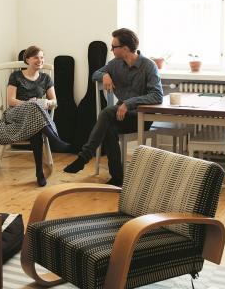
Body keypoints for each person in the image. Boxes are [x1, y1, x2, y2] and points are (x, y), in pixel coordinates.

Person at [63, 28, 163, 186]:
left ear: (125, 49)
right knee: (109, 128)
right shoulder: (115, 64)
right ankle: (117, 177)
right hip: (119, 115)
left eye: (114, 47)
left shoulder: (149, 66)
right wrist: (105, 75)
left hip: (140, 117)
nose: (111, 50)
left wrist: (128, 103)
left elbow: (157, 95)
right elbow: (95, 74)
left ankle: (84, 156)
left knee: (107, 112)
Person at [0, 46, 72, 187]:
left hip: (36, 118)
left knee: (35, 127)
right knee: (33, 106)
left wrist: (47, 102)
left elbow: (54, 101)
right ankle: (55, 140)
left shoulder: (46, 78)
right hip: (15, 114)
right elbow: (11, 101)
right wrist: (30, 104)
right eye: (36, 57)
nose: (40, 60)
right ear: (27, 59)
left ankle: (39, 172)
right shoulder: (16, 76)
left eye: (42, 57)